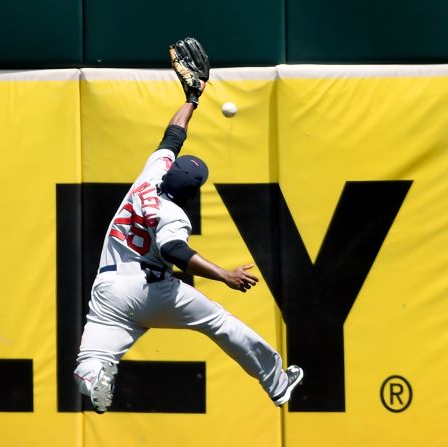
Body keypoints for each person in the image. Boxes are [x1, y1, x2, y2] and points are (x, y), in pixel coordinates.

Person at [73, 37, 303, 414]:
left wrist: (192, 98)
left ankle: (92, 374)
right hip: (152, 289)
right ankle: (277, 383)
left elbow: (173, 134)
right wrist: (223, 275)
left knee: (93, 357)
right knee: (218, 322)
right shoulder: (174, 215)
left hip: (110, 288)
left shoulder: (150, 175)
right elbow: (174, 251)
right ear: (193, 192)